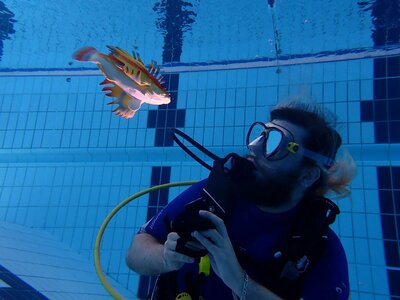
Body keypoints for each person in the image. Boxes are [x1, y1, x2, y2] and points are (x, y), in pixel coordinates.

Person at [126, 100, 356, 300]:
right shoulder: (214, 195)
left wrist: (238, 280)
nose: (253, 147)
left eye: (275, 142)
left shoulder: (318, 247)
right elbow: (135, 253)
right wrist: (165, 258)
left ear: (307, 175)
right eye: (261, 134)